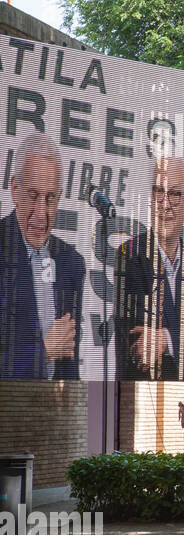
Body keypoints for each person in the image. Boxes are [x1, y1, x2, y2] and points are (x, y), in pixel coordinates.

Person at [114, 156, 184, 382]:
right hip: (142, 393)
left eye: (176, 194)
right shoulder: (129, 255)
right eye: (159, 191)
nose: (166, 203)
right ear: (150, 200)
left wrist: (166, 339)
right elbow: (139, 345)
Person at [0, 134, 85, 380]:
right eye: (33, 196)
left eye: (50, 199)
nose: (41, 213)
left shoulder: (72, 263)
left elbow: (70, 367)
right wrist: (45, 351)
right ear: (15, 190)